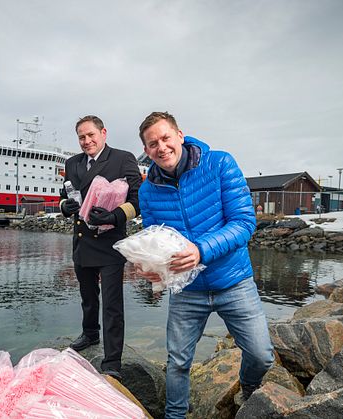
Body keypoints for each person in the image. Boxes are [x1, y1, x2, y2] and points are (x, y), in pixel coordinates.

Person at [136, 111, 274, 417]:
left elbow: (244, 223)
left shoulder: (220, 163)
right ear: (146, 151)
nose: (161, 147)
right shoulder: (147, 190)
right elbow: (154, 238)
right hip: (188, 290)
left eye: (165, 138)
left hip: (233, 281)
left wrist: (201, 250)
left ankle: (249, 388)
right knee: (178, 361)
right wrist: (150, 265)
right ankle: (175, 415)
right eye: (152, 143)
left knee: (262, 355)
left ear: (180, 136)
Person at [60, 115, 142, 380]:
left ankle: (112, 361)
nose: (86, 141)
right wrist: (65, 207)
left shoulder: (122, 158)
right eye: (81, 137)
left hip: (109, 241)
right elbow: (65, 195)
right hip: (82, 239)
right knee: (87, 294)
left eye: (91, 135)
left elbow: (138, 198)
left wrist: (114, 216)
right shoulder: (71, 163)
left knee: (112, 304)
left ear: (103, 133)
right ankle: (90, 333)